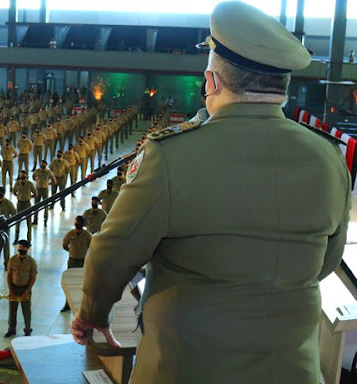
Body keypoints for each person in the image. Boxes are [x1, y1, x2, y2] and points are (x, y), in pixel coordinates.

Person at [71, 2, 350, 382]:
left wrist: (92, 314)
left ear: (212, 81)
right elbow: (325, 264)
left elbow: (111, 253)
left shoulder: (172, 156)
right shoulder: (329, 157)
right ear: (282, 87)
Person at [4, 240, 37, 338]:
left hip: (25, 289)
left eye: (22, 247)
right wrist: (10, 290)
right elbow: (9, 275)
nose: (20, 249)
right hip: (14, 288)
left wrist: (27, 291)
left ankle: (27, 329)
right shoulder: (13, 259)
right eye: (19, 247)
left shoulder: (31, 262)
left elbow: (33, 277)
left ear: (27, 248)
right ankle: (11, 329)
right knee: (12, 310)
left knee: (26, 310)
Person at [61, 216, 92, 312]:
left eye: (79, 222)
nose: (77, 223)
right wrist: (72, 252)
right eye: (76, 222)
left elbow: (91, 247)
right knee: (69, 282)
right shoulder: (70, 234)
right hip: (72, 261)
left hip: (83, 261)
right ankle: (67, 304)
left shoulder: (87, 235)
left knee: (83, 283)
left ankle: (81, 305)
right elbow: (65, 245)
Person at [12, 170, 36, 244]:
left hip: (27, 204)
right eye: (21, 177)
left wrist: (29, 197)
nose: (22, 179)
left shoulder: (30, 184)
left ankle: (29, 240)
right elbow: (14, 192)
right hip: (19, 204)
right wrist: (19, 196)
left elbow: (35, 193)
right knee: (17, 222)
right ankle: (16, 239)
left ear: (27, 177)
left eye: (23, 177)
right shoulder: (17, 183)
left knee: (29, 223)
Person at [32, 160, 56, 226]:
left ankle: (45, 221)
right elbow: (33, 177)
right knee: (36, 206)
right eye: (41, 164)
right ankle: (35, 220)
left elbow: (54, 181)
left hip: (45, 190)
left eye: (43, 164)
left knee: (46, 206)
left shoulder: (49, 172)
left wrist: (48, 184)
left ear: (46, 165)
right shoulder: (37, 171)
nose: (42, 165)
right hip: (38, 189)